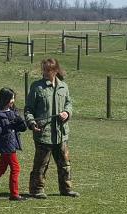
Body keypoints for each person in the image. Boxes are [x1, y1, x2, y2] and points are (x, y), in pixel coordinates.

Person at [24, 58, 79, 199]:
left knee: (65, 164)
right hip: (44, 133)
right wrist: (31, 122)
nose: (45, 72)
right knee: (41, 165)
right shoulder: (37, 87)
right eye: (43, 69)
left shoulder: (64, 87)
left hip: (61, 133)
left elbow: (69, 104)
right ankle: (37, 190)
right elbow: (28, 109)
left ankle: (66, 189)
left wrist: (67, 113)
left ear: (55, 70)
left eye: (48, 70)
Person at [0, 87, 27, 201]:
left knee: (1, 168)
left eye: (13, 98)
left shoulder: (13, 112)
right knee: (15, 168)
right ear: (4, 99)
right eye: (11, 98)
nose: (12, 101)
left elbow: (22, 128)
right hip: (6, 145)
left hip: (13, 143)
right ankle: (14, 194)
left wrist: (20, 120)